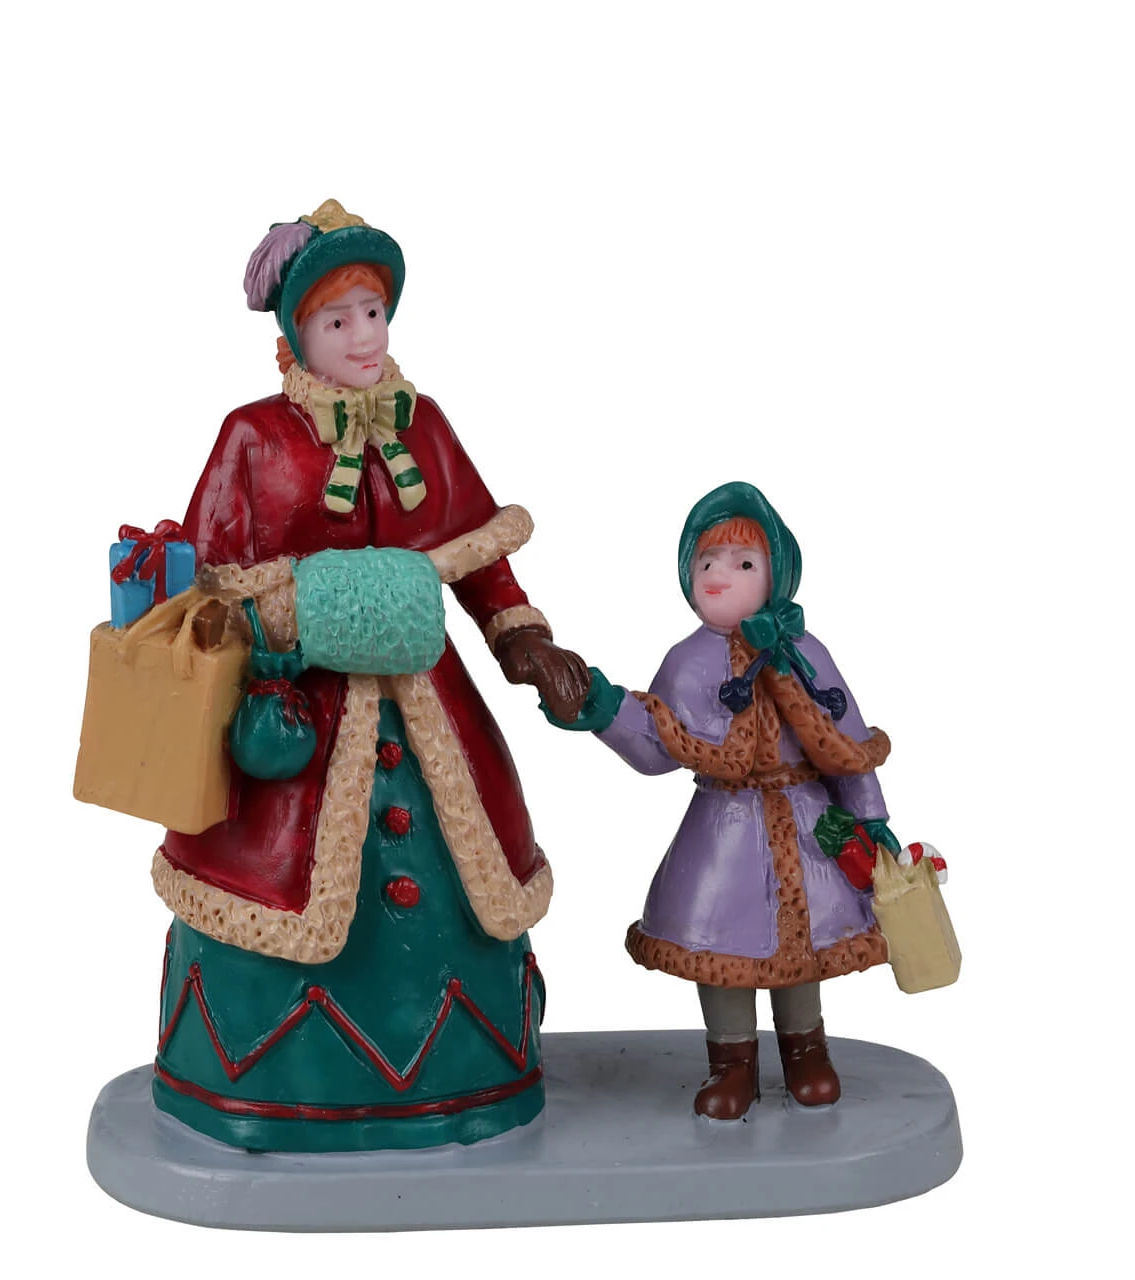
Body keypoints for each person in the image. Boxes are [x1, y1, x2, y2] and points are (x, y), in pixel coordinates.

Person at [151, 199, 589, 1152]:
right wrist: (285, 623)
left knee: (464, 873)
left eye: (374, 313)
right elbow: (208, 580)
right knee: (285, 883)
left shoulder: (424, 427)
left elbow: (478, 558)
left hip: (429, 704)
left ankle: (464, 1080)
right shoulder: (253, 437)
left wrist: (523, 640)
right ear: (295, 335)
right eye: (337, 319)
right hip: (296, 711)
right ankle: (274, 1093)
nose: (363, 336)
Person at [544, 481, 895, 1120]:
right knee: (724, 952)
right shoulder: (688, 661)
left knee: (802, 951)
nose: (718, 575)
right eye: (706, 560)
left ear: (776, 575)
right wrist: (604, 708)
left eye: (742, 563)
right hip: (724, 831)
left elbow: (846, 749)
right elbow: (657, 745)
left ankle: (805, 1051)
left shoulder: (808, 656)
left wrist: (872, 821)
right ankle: (731, 1062)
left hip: (808, 822)